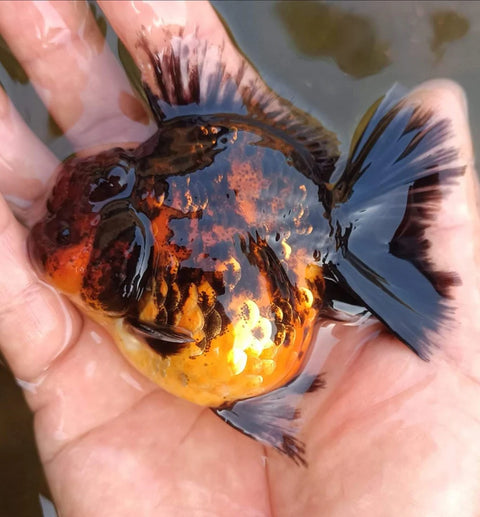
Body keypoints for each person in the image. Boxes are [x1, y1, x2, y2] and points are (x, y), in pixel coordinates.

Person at [0, 2, 478, 516]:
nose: (55, 225)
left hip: (285, 251)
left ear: (121, 260)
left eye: (70, 232)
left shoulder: (153, 310)